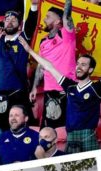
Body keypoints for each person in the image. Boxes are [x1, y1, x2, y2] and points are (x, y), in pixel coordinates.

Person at [19, 37, 101, 153]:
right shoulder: (70, 86)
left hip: (88, 137)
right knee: (70, 170)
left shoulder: (97, 88)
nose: (79, 67)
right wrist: (29, 50)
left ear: (90, 70)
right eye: (78, 64)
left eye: (83, 65)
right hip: (70, 137)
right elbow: (49, 66)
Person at [29, 0, 76, 128]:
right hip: (49, 90)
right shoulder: (43, 41)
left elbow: (67, 16)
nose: (44, 19)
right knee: (48, 128)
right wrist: (34, 87)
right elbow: (40, 66)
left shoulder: (66, 35)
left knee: (65, 129)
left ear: (58, 21)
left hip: (66, 89)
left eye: (48, 17)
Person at [0, 10, 34, 130]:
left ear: (19, 25)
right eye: (7, 20)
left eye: (14, 20)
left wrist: (34, 6)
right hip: (0, 96)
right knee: (0, 131)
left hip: (18, 94)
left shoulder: (22, 39)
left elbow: (31, 24)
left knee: (20, 129)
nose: (9, 22)